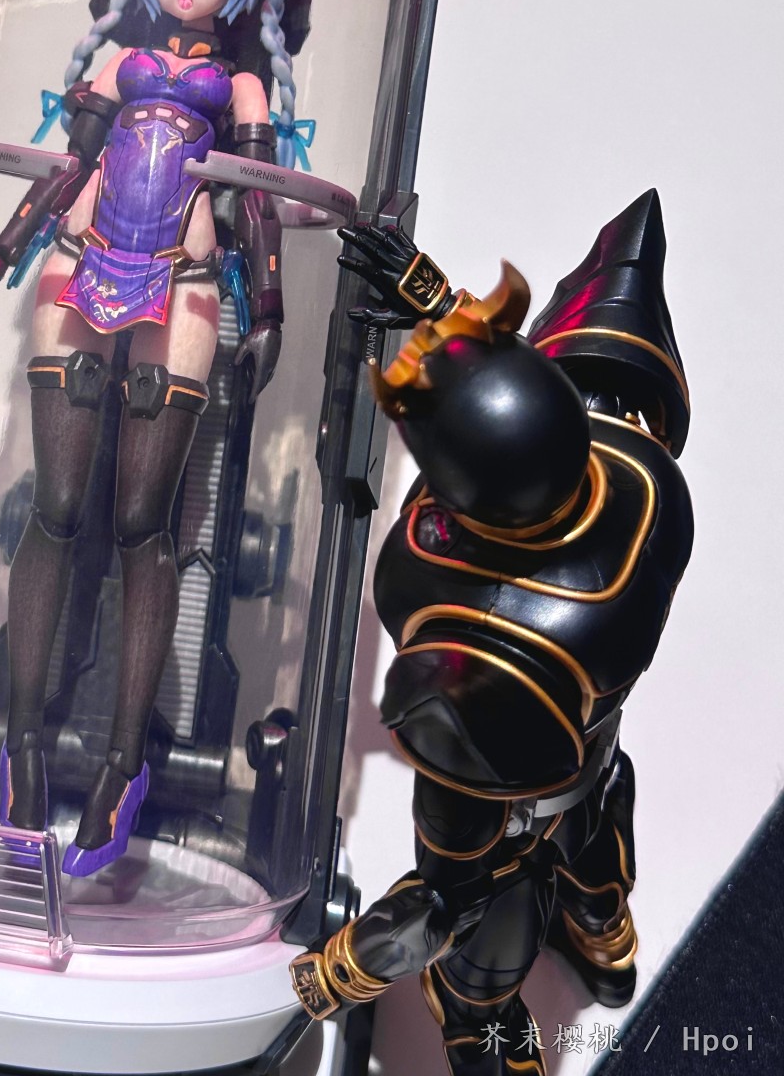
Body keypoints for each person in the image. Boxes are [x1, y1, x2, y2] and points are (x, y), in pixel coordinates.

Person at [290, 191, 693, 1075]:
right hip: (584, 748)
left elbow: (442, 898)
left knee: (477, 1005)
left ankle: (599, 942)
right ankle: (607, 942)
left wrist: (333, 975)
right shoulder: (642, 482)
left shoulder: (438, 587)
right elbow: (535, 407)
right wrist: (443, 311)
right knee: (598, 843)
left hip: (514, 776)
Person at [0, 0, 298, 875]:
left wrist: (268, 304)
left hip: (183, 279)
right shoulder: (115, 66)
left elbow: (257, 199)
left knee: (146, 522)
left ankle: (120, 769)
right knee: (58, 506)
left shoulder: (241, 85)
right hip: (82, 260)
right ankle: (23, 751)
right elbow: (70, 169)